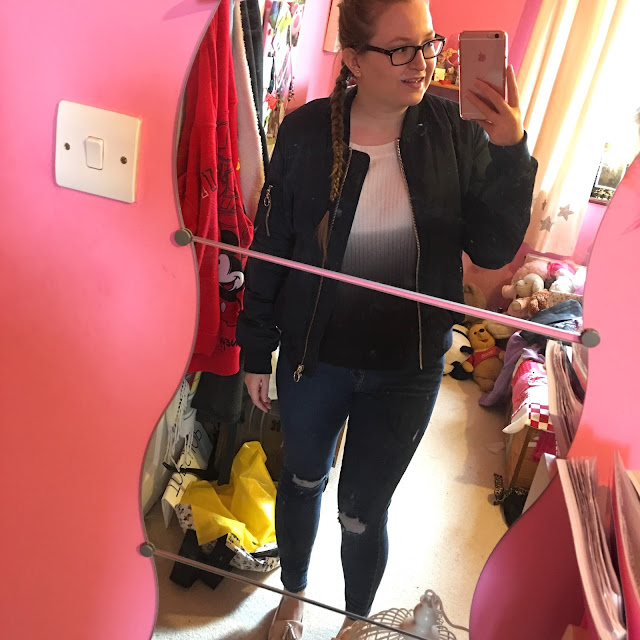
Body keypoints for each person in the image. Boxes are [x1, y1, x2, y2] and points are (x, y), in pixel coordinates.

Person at [236, 0, 538, 637]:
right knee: (301, 481)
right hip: (313, 359)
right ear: (352, 59)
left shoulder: (454, 130)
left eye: (428, 44)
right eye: (400, 48)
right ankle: (293, 594)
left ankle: (355, 620)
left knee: (364, 512)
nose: (421, 62)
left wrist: (510, 150)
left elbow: (491, 249)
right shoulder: (305, 134)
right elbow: (271, 246)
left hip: (407, 367)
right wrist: (255, 348)